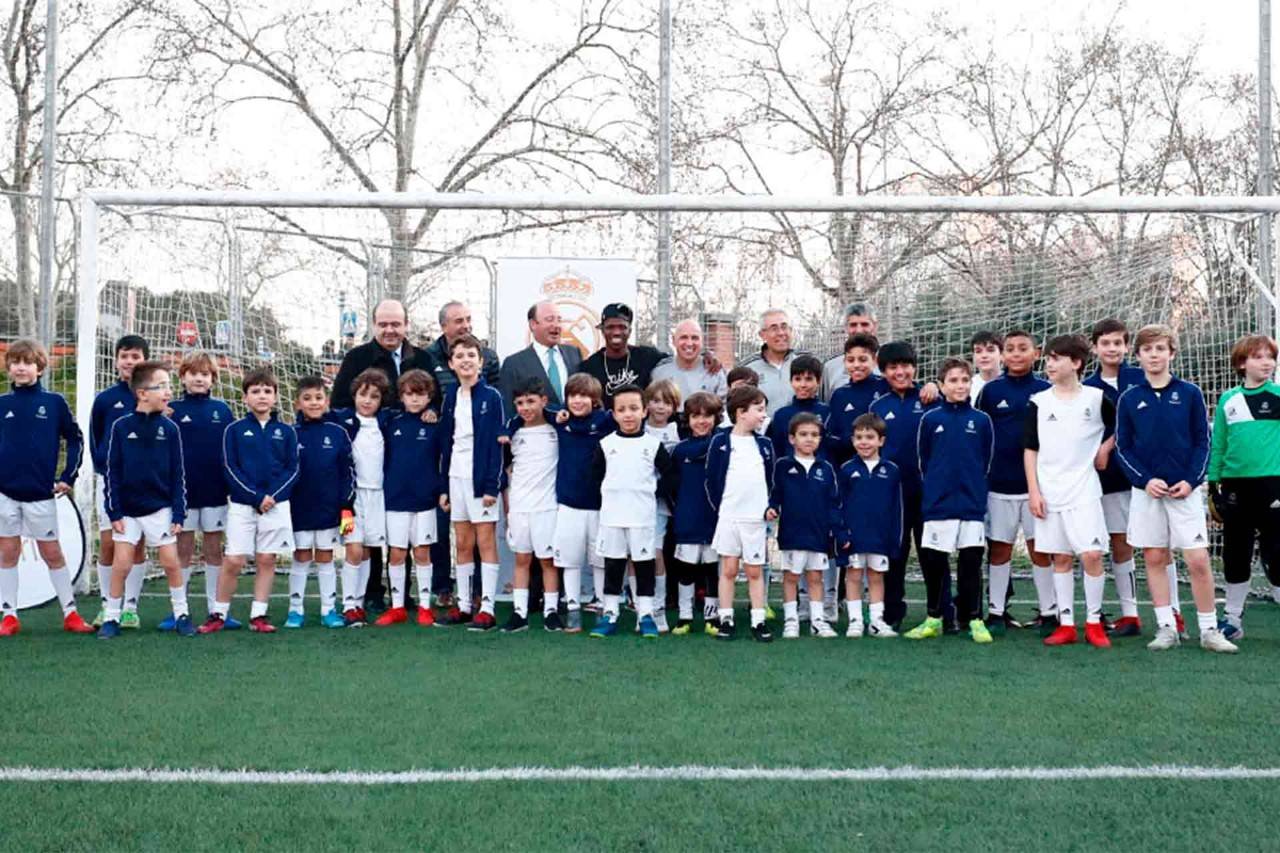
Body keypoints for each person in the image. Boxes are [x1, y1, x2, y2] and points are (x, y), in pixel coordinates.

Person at [1114, 324, 1237, 653]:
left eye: (1160, 349)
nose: (1154, 355)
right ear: (1137, 355)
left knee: (1197, 560)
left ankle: (1210, 630)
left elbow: (1203, 441)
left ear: (1171, 353)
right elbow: (1123, 447)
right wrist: (1145, 480)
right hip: (1148, 493)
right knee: (1155, 556)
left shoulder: (1191, 393)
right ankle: (1166, 626)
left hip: (1185, 490)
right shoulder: (1130, 398)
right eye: (1147, 350)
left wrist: (1191, 480)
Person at [330, 299, 438, 611]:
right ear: (374, 325)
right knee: (354, 544)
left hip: (391, 477)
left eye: (396, 324)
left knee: (390, 537)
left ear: (406, 325)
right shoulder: (357, 358)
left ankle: (399, 596)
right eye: (384, 324)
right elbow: (339, 403)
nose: (390, 330)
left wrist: (430, 410)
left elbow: (435, 398)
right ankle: (358, 599)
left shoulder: (421, 358)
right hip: (350, 496)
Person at [1024, 335, 1115, 649]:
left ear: (1076, 363)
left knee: (1090, 555)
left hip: (1084, 489)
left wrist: (1105, 449)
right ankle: (1066, 624)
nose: (1049, 364)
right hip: (1049, 492)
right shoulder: (1039, 401)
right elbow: (1030, 450)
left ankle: (1093, 621)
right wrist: (1034, 492)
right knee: (1060, 557)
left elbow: (1124, 427)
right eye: (1048, 358)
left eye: (1056, 358)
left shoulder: (1096, 398)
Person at [0, 339, 89, 636]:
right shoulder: (2, 404)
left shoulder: (54, 403)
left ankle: (70, 613)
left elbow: (75, 439)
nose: (21, 367)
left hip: (41, 494)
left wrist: (68, 476)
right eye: (15, 362)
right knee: (8, 552)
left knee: (52, 552)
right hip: (5, 494)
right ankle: (9, 616)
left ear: (39, 367)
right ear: (9, 368)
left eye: (27, 362)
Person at [200, 367, 299, 634]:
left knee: (267, 559)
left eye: (267, 391)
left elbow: (293, 469)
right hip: (243, 506)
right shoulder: (234, 430)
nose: (262, 396)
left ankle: (259, 615)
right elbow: (230, 468)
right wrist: (256, 497)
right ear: (245, 398)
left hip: (276, 506)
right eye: (255, 391)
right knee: (233, 560)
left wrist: (272, 497)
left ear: (276, 397)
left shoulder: (287, 431)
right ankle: (218, 614)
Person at [98, 361, 190, 638]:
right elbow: (112, 471)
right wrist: (114, 511)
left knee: (171, 562)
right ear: (141, 393)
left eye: (168, 386)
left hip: (160, 509)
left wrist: (178, 512)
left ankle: (181, 614)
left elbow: (178, 474)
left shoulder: (171, 429)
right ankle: (112, 616)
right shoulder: (121, 427)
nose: (167, 392)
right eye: (160, 386)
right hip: (127, 511)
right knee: (122, 563)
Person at [906, 358, 995, 644]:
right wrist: (935, 490)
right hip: (939, 505)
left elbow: (986, 462)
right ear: (941, 385)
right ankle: (935, 616)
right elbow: (923, 461)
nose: (960, 385)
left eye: (964, 380)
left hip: (971, 504)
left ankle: (975, 619)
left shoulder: (981, 421)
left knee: (971, 562)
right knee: (935, 562)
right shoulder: (931, 419)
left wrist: (975, 491)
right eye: (953, 381)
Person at [975, 329, 1053, 633]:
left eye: (1023, 348)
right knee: (999, 549)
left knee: (1040, 549)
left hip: (1038, 487)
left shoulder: (1047, 391)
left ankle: (1049, 612)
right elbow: (980, 434)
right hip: (999, 486)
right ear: (1003, 355)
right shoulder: (991, 392)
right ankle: (996, 612)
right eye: (1010, 349)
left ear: (1037, 353)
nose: (1017, 354)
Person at [1208, 334, 1280, 641]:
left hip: (1273, 487)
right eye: (1259, 356)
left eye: (1270, 356)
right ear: (1242, 363)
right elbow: (1220, 445)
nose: (1267, 362)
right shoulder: (1228, 400)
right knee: (1235, 555)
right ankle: (1233, 620)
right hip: (1236, 487)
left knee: (1277, 555)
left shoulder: (1278, 396)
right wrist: (1213, 486)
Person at [588, 384, 674, 639]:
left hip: (642, 518)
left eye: (634, 409)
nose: (628, 415)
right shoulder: (605, 444)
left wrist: (650, 493)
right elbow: (595, 477)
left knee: (644, 565)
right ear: (613, 414)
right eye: (622, 410)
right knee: (613, 565)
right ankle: (610, 612)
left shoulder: (652, 444)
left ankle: (645, 614)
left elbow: (669, 475)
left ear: (644, 411)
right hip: (613, 518)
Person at [868, 342, 940, 630]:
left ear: (915, 368)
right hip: (892, 495)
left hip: (927, 491)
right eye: (892, 367)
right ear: (883, 371)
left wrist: (936, 387)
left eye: (905, 366)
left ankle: (940, 610)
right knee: (895, 553)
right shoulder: (878, 406)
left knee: (932, 554)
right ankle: (893, 611)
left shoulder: (930, 398)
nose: (900, 372)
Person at [1083, 318, 1148, 636]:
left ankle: (1173, 614)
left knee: (1156, 545)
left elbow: (1142, 424)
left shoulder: (1142, 377)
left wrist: (1109, 446)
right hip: (1109, 478)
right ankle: (1130, 614)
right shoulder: (1087, 389)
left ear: (1127, 347)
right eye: (1105, 343)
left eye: (1118, 343)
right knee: (1120, 542)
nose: (1112, 349)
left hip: (1149, 474)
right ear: (1095, 347)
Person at [438, 334, 506, 631]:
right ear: (451, 363)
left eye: (471, 355)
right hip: (456, 477)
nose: (465, 360)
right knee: (463, 542)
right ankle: (464, 605)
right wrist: (443, 487)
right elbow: (445, 442)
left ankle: (487, 607)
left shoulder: (492, 397)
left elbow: (497, 444)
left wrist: (492, 485)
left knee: (485, 541)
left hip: (482, 481)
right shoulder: (450, 395)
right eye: (460, 356)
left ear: (481, 361)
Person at [706, 384, 776, 642]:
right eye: (758, 410)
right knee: (729, 569)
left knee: (755, 571)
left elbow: (772, 481)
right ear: (740, 412)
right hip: (729, 518)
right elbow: (711, 481)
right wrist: (722, 510)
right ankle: (726, 619)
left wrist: (770, 507)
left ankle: (758, 620)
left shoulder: (765, 444)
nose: (763, 415)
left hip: (755, 521)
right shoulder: (721, 441)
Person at [169, 351, 234, 629]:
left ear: (213, 379)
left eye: (205, 374)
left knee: (213, 549)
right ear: (182, 377)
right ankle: (179, 610)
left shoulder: (222, 410)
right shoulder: (171, 409)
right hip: (183, 493)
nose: (199, 378)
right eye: (193, 373)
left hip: (215, 491)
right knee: (182, 549)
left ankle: (215, 609)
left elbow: (231, 450)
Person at [88, 334, 149, 629]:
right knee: (110, 543)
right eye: (124, 356)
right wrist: (107, 471)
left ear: (144, 362)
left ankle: (130, 608)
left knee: (137, 545)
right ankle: (106, 604)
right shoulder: (104, 400)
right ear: (116, 361)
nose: (129, 361)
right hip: (111, 484)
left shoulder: (153, 397)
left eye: (135, 356)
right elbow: (95, 440)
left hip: (145, 485)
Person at [377, 369, 443, 627]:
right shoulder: (390, 422)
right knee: (396, 553)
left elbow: (443, 459)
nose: (415, 399)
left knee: (423, 552)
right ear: (401, 397)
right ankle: (397, 607)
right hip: (395, 500)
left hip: (425, 500)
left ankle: (425, 606)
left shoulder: (434, 425)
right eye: (409, 394)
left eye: (421, 394)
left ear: (429, 397)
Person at [289, 375, 354, 630]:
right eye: (307, 398)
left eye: (318, 398)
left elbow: (347, 472)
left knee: (326, 556)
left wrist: (346, 505)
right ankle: (296, 610)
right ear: (297, 403)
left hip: (331, 509)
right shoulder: (290, 433)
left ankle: (329, 609)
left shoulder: (338, 433)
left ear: (326, 401)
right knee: (302, 555)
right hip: (299, 508)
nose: (313, 403)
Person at [332, 368, 395, 627]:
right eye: (363, 395)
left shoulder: (386, 422)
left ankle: (359, 603)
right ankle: (348, 604)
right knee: (353, 548)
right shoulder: (342, 420)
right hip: (351, 500)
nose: (367, 401)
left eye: (374, 396)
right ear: (354, 395)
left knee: (368, 549)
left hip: (378, 498)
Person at [770, 412, 840, 639]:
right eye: (803, 434)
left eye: (814, 435)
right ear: (792, 438)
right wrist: (771, 508)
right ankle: (791, 620)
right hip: (792, 533)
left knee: (815, 577)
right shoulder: (782, 466)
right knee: (791, 577)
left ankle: (817, 621)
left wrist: (835, 528)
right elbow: (775, 495)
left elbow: (833, 501)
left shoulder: (826, 468)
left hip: (818, 535)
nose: (809, 439)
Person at [550, 373, 612, 631]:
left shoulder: (606, 421)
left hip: (599, 505)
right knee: (570, 560)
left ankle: (602, 608)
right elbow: (531, 410)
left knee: (600, 560)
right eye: (573, 396)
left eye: (584, 396)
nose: (578, 401)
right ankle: (573, 609)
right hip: (568, 504)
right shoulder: (560, 420)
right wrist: (560, 412)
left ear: (595, 399)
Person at [501, 377, 561, 633]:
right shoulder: (511, 432)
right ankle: (519, 613)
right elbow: (504, 471)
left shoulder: (557, 428)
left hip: (547, 507)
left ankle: (551, 612)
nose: (525, 408)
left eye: (531, 401)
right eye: (520, 403)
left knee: (548, 561)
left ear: (544, 401)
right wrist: (507, 506)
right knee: (522, 559)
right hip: (520, 507)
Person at [835, 413, 901, 638]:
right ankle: (855, 621)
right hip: (854, 537)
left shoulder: (891, 470)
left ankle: (876, 621)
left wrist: (895, 538)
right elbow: (839, 504)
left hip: (880, 538)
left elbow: (897, 508)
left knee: (876, 577)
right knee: (853, 576)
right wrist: (842, 533)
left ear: (881, 440)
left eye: (870, 437)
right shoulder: (846, 469)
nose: (864, 442)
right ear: (852, 440)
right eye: (859, 437)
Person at [668, 391, 723, 635]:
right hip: (687, 519)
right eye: (696, 416)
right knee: (686, 569)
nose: (702, 421)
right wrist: (680, 510)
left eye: (708, 416)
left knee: (712, 569)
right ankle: (685, 615)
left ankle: (712, 616)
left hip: (715, 520)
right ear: (687, 419)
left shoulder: (722, 445)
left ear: (716, 418)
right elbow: (671, 487)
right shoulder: (680, 451)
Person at [642, 378, 683, 632]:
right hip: (636, 501)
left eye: (667, 402)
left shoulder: (680, 431)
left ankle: (658, 608)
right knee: (637, 554)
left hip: (662, 503)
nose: (660, 407)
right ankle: (641, 607)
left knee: (657, 552)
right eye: (655, 401)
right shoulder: (638, 428)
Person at [497, 300, 582, 411]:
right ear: (533, 324)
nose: (556, 325)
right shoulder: (513, 364)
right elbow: (507, 408)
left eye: (559, 320)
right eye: (549, 319)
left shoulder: (574, 354)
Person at [580, 303, 671, 405]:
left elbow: (676, 362)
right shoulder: (588, 367)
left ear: (630, 331)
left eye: (622, 327)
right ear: (603, 330)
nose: (616, 332)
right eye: (610, 327)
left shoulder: (647, 356)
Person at [824, 333, 889, 467]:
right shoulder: (840, 394)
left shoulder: (885, 386)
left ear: (875, 360)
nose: (856, 365)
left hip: (882, 465)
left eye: (863, 359)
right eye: (851, 360)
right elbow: (833, 434)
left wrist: (931, 386)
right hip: (849, 467)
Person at [739, 308, 814, 416]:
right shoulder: (748, 368)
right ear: (762, 335)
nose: (781, 333)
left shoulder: (808, 362)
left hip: (804, 431)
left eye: (784, 327)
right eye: (774, 328)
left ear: (791, 330)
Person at [766, 354, 830, 463]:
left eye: (809, 379)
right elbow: (777, 451)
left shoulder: (828, 412)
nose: (803, 385)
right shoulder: (781, 415)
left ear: (818, 381)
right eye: (797, 379)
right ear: (791, 381)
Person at [651, 318, 728, 407]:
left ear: (702, 341)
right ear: (673, 340)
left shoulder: (715, 372)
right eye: (684, 337)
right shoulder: (659, 373)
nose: (689, 343)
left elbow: (722, 412)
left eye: (695, 338)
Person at [821, 302, 879, 400]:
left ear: (875, 326)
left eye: (865, 324)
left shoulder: (890, 364)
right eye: (853, 325)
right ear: (846, 328)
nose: (859, 330)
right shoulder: (830, 368)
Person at [968, 331, 1004, 404]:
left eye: (990, 350)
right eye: (978, 351)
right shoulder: (967, 388)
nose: (984, 355)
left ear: (1002, 355)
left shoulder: (1016, 384)